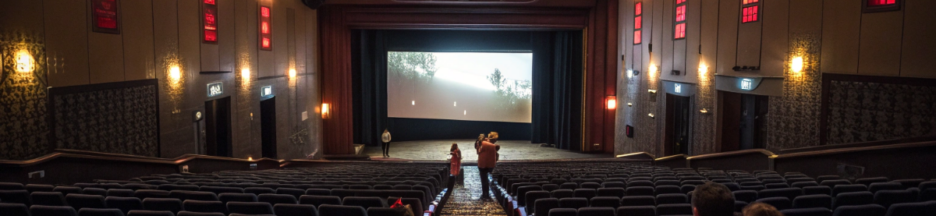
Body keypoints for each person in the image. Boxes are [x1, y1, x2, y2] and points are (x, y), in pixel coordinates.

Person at [477, 131, 500, 198]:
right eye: (496, 139)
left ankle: (485, 193)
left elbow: (478, 152)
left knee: (484, 179)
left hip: (482, 164)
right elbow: (495, 157)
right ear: (493, 139)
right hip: (487, 165)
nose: (496, 140)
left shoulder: (482, 143)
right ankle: (486, 194)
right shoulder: (492, 146)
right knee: (485, 179)